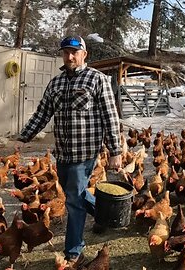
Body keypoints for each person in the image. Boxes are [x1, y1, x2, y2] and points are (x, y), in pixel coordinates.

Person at [16, 35, 122, 267]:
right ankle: (109, 213)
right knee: (76, 194)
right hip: (62, 153)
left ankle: (74, 250)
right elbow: (42, 113)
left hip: (84, 153)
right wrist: (24, 137)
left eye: (75, 52)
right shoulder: (55, 83)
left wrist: (115, 150)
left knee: (73, 200)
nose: (70, 56)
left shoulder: (97, 80)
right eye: (66, 52)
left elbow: (110, 117)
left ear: (84, 54)